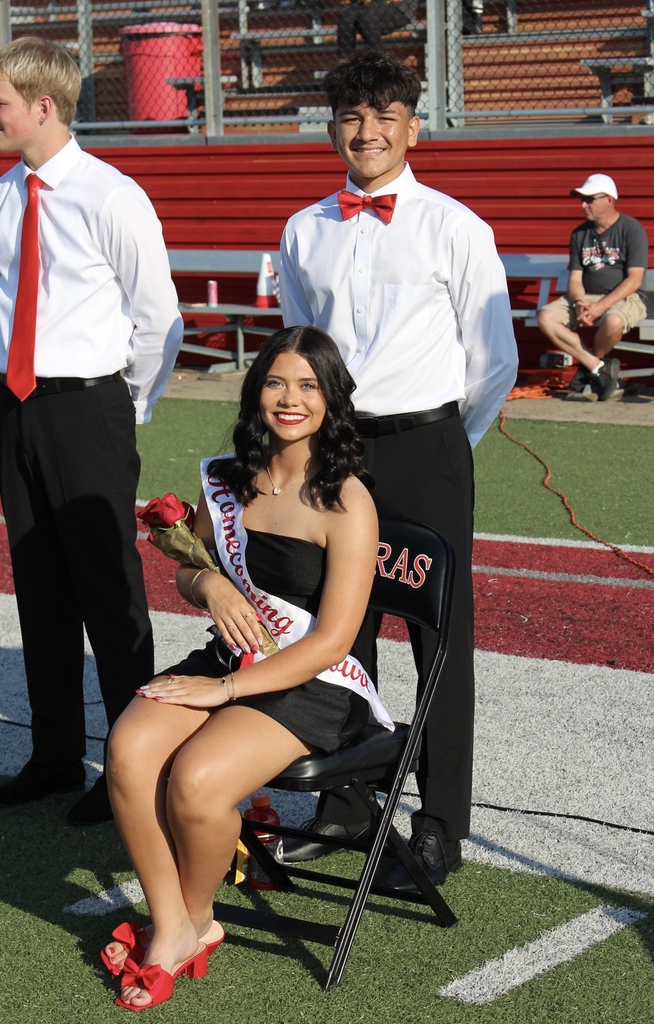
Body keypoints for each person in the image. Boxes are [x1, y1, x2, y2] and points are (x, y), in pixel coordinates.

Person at [278, 51, 518, 890]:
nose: (366, 130)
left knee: (437, 640)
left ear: (413, 125)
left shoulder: (455, 227)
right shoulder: (303, 229)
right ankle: (345, 798)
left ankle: (441, 821)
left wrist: (446, 449)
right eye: (350, 115)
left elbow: (494, 362)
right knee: (334, 631)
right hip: (337, 453)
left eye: (384, 114)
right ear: (332, 126)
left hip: (426, 449)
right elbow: (302, 352)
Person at [99, 326, 386, 1011]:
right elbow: (190, 573)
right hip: (232, 655)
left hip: (309, 683)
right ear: (256, 390)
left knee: (196, 782)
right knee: (129, 748)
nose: (290, 399)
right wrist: (214, 588)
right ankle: (178, 925)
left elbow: (331, 641)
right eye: (276, 382)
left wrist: (223, 688)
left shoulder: (345, 501)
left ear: (330, 400)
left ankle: (188, 923)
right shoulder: (230, 479)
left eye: (308, 386)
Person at [0, 38, 183, 825]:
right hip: (17, 405)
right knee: (38, 583)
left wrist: (122, 409)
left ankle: (133, 764)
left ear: (42, 106)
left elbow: (158, 318)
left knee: (109, 590)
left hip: (91, 406)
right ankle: (55, 754)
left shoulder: (110, 194)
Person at [537, 174, 648, 402]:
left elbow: (634, 280)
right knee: (546, 317)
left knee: (613, 321)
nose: (583, 205)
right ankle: (598, 368)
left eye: (589, 199)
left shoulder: (631, 229)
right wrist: (579, 303)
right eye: (581, 200)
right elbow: (576, 278)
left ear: (609, 199)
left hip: (626, 297)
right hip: (585, 297)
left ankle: (590, 369)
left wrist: (600, 306)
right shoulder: (580, 234)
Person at [336, 0, 416, 58]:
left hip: (400, 7)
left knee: (367, 18)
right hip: (370, 7)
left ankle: (378, 62)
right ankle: (344, 65)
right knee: (346, 17)